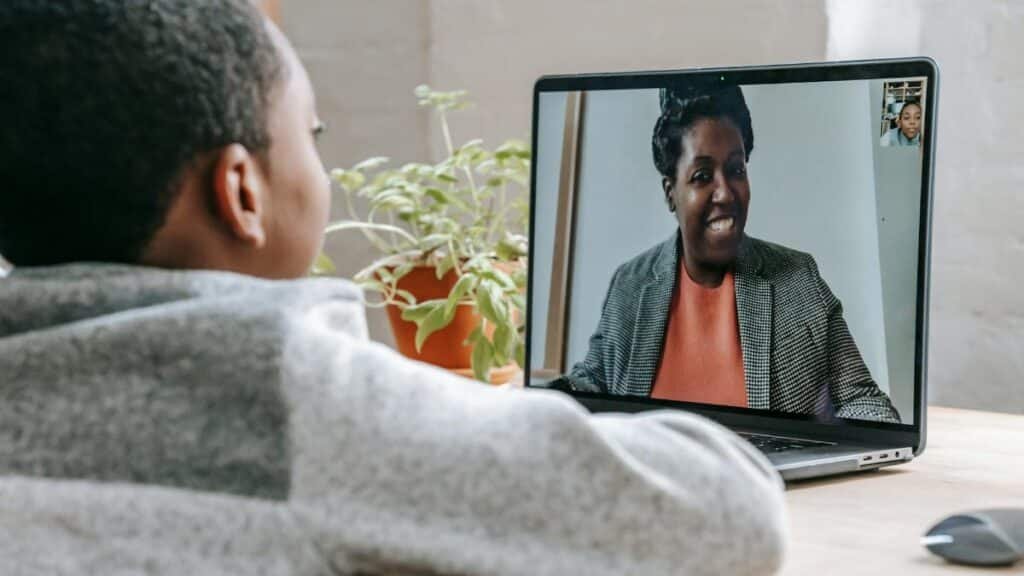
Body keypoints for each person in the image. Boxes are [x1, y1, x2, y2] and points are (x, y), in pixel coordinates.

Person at [0, 2, 786, 575]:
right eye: (311, 137)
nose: (721, 191)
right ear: (241, 193)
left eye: (735, 169)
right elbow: (731, 517)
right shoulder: (297, 397)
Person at [555, 84, 901, 424]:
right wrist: (548, 401)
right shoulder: (631, 282)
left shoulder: (797, 277)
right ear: (670, 192)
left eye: (736, 170)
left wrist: (838, 455)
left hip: (763, 477)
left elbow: (862, 398)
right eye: (702, 176)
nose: (725, 193)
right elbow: (593, 379)